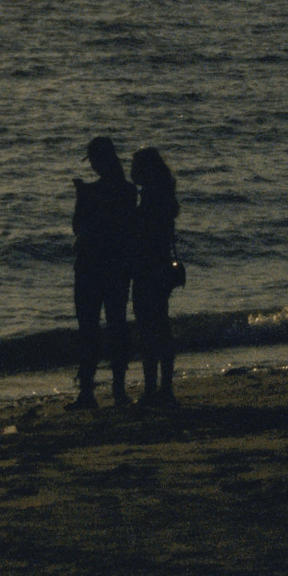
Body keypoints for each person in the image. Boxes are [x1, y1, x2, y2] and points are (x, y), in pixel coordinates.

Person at [70, 137, 137, 409]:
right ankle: (118, 389)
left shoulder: (90, 192)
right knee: (116, 326)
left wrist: (83, 195)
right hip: (118, 267)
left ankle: (87, 391)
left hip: (90, 267)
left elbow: (78, 227)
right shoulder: (128, 191)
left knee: (89, 329)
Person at [128, 146, 181, 406]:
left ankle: (154, 389)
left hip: (149, 269)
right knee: (159, 326)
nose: (131, 171)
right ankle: (164, 387)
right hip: (160, 268)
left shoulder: (151, 199)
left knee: (149, 329)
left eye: (135, 166)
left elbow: (145, 234)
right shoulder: (163, 196)